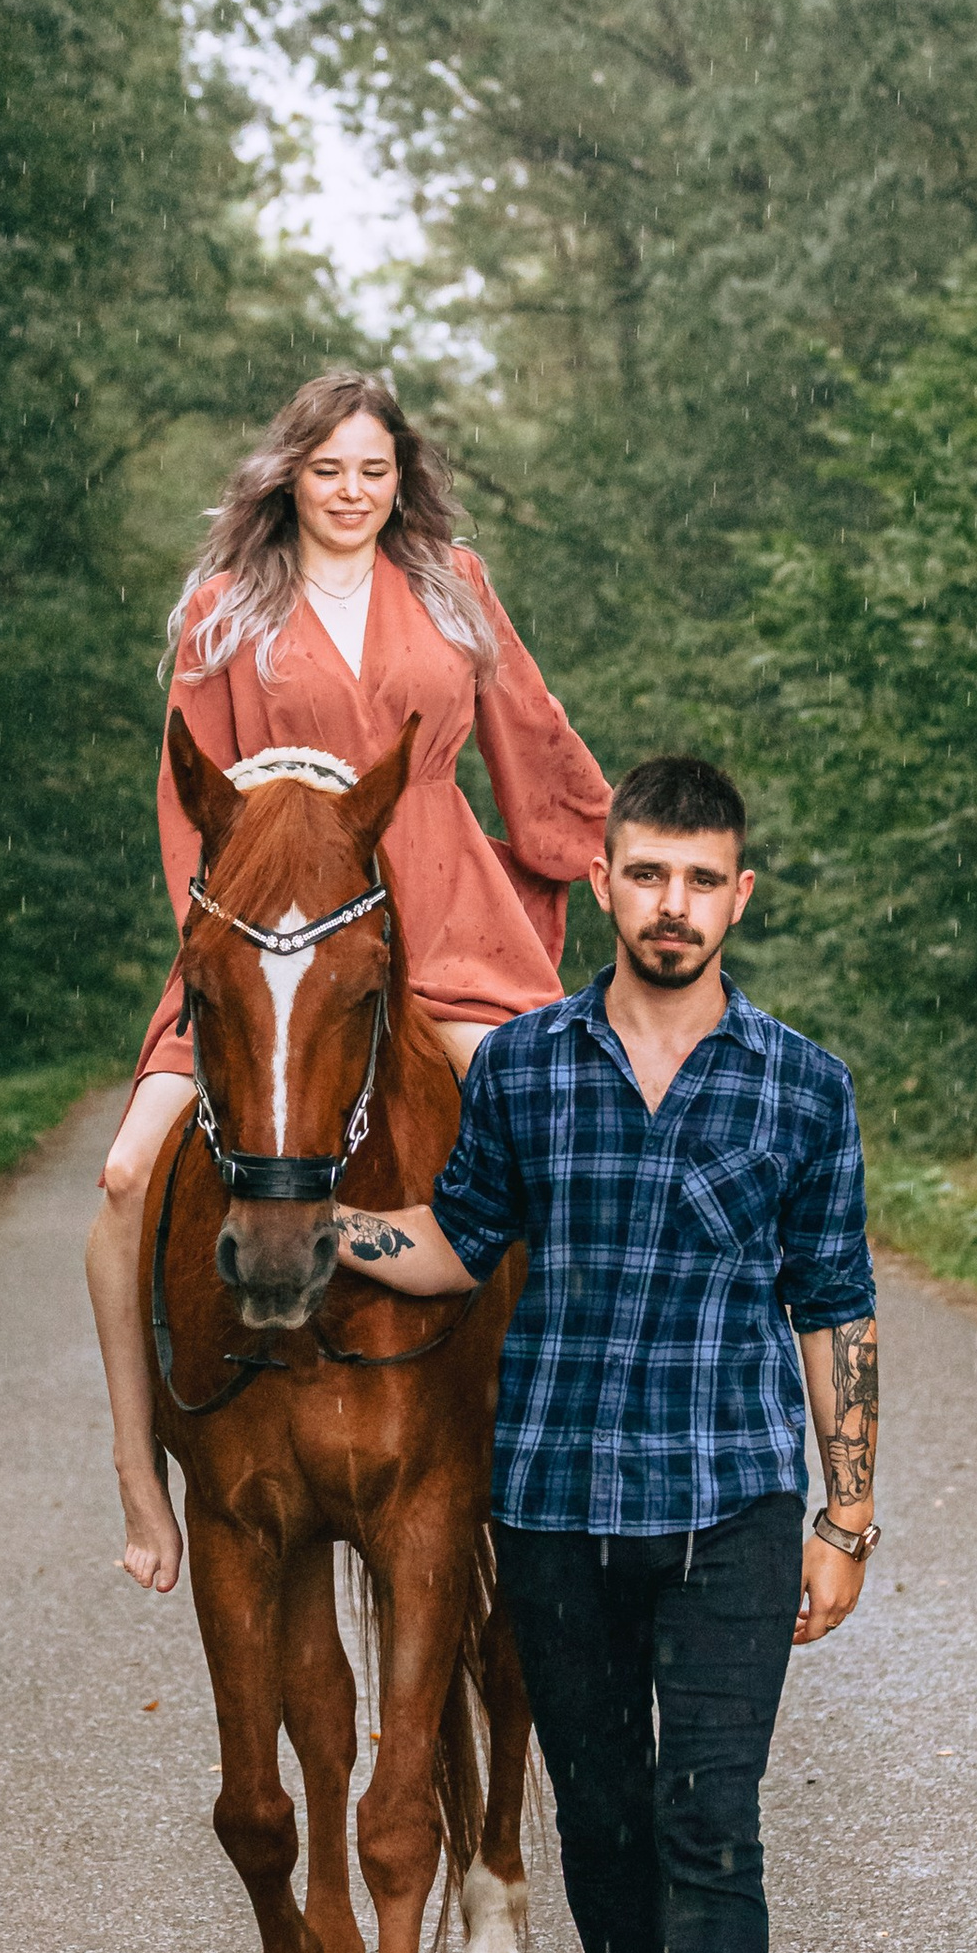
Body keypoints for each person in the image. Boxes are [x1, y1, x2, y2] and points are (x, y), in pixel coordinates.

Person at [330, 754, 880, 1953]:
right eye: (648, 875)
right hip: (560, 1504)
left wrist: (847, 1518)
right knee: (604, 1812)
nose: (674, 906)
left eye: (703, 880)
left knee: (711, 1815)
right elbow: (458, 1241)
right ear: (605, 886)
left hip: (734, 1498)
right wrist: (332, 1229)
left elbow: (833, 1306)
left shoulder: (801, 1087)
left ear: (739, 898)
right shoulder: (523, 1068)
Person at [85, 368, 610, 1597]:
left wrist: (597, 858)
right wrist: (234, 956)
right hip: (280, 939)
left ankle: (558, 1463)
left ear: (400, 478)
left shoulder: (452, 588)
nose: (351, 492)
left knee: (560, 1147)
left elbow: (527, 736)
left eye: (374, 470)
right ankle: (136, 1472)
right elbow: (193, 801)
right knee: (121, 1183)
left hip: (448, 915)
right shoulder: (223, 610)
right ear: (290, 476)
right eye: (329, 470)